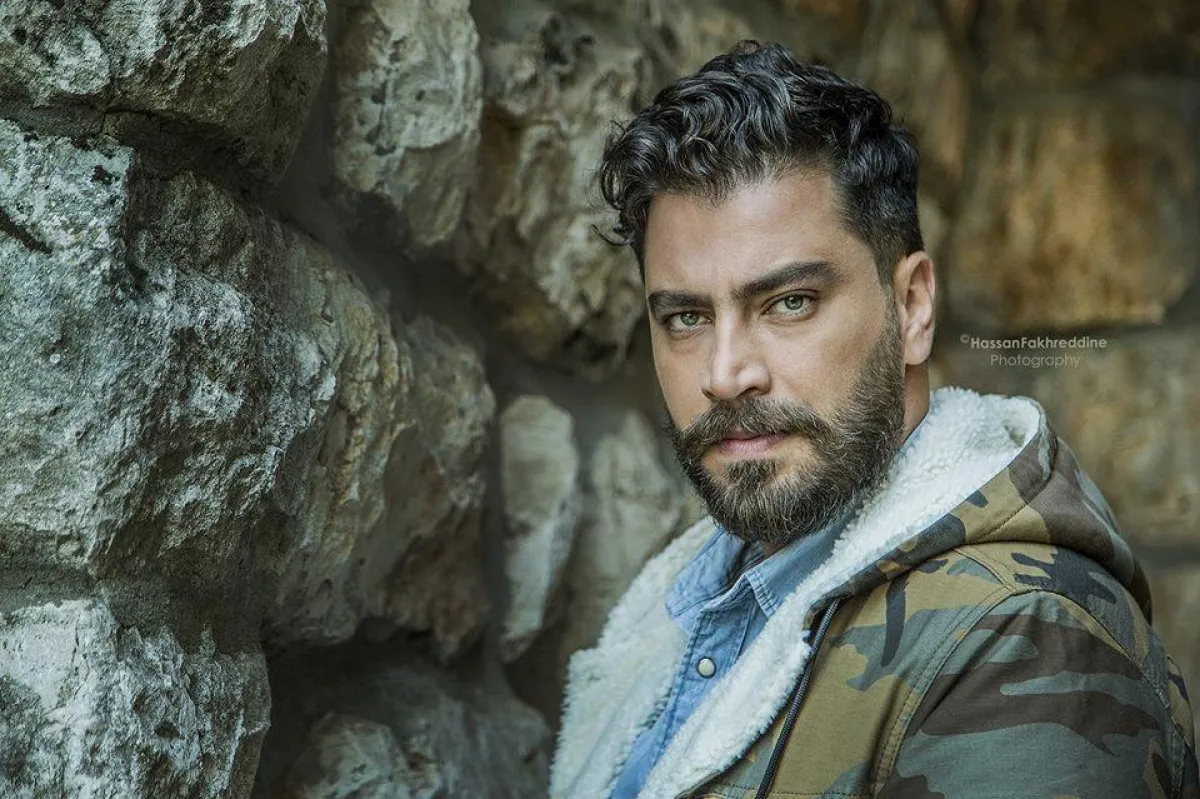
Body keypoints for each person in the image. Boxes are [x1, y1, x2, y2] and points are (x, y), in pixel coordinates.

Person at [548, 40, 1199, 799]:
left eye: (789, 302)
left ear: (912, 306)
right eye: (686, 318)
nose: (724, 375)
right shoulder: (697, 600)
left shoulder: (1026, 639)